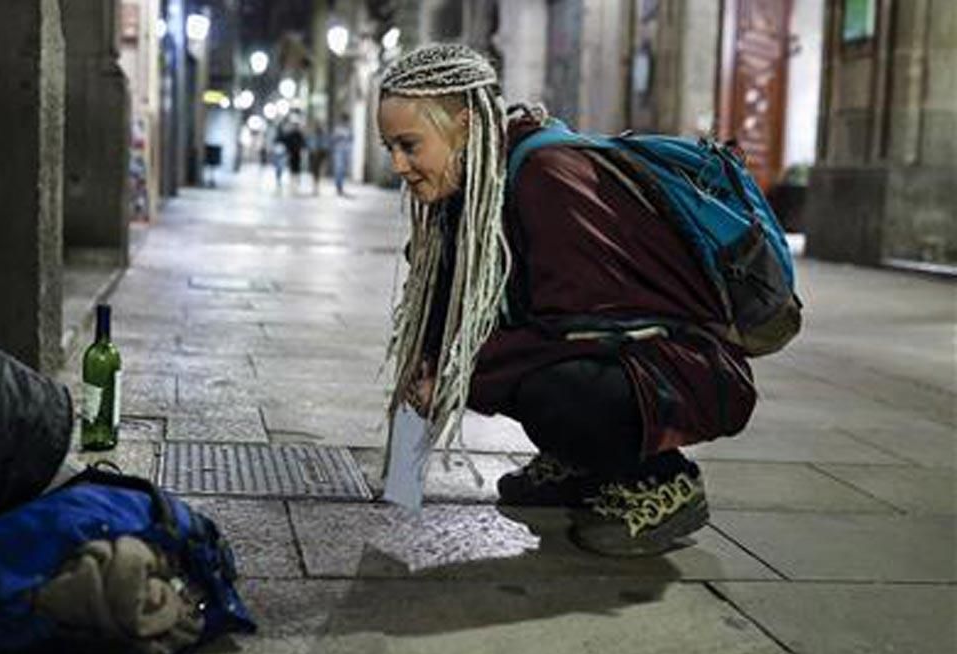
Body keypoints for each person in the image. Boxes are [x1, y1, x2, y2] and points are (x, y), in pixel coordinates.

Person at [377, 44, 756, 556]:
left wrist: (461, 372)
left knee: (552, 388)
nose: (399, 165)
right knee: (490, 365)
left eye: (409, 145)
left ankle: (663, 479)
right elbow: (435, 319)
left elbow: (583, 330)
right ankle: (582, 461)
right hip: (609, 356)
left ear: (464, 125)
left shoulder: (545, 173)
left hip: (678, 364)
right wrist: (402, 477)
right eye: (389, 149)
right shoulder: (462, 193)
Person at [329, 114, 354, 196]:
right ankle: (338, 187)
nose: (346, 122)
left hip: (346, 152)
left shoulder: (349, 129)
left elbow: (351, 139)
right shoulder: (338, 129)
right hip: (339, 152)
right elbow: (333, 140)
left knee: (342, 170)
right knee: (339, 169)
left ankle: (341, 187)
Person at [307, 121, 329, 195]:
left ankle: (316, 186)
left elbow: (325, 145)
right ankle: (315, 186)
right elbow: (309, 144)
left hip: (320, 154)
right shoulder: (313, 135)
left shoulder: (323, 135)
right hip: (314, 155)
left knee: (317, 171)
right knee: (315, 171)